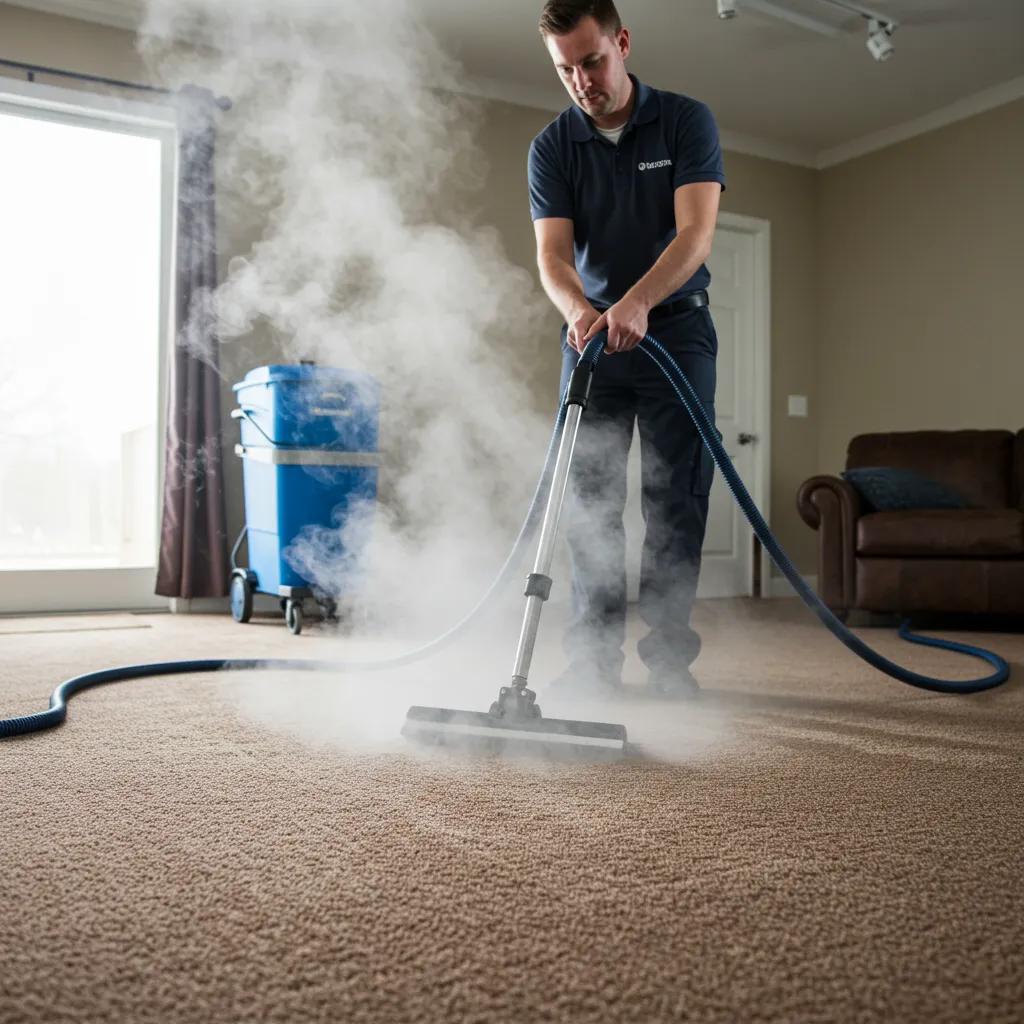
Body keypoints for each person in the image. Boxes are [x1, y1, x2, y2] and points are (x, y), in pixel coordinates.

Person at [529, 0, 726, 698]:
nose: (582, 80)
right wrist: (582, 310)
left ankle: (670, 664)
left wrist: (638, 300)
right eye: (566, 70)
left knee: (676, 497)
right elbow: (553, 256)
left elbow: (694, 235)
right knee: (590, 501)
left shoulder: (684, 120)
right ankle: (591, 662)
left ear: (622, 43)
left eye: (592, 60)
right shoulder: (553, 147)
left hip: (675, 327)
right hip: (593, 340)